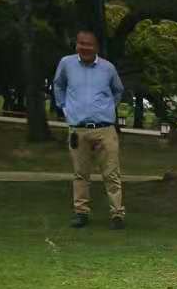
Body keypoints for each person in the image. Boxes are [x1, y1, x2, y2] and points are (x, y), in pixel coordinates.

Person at [52, 30, 126, 230]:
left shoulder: (108, 68)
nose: (84, 47)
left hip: (105, 129)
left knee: (111, 174)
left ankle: (117, 214)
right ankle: (81, 213)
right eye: (81, 43)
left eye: (89, 44)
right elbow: (58, 85)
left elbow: (118, 90)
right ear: (76, 45)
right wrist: (64, 107)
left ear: (96, 47)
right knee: (80, 173)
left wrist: (108, 107)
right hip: (78, 130)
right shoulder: (66, 64)